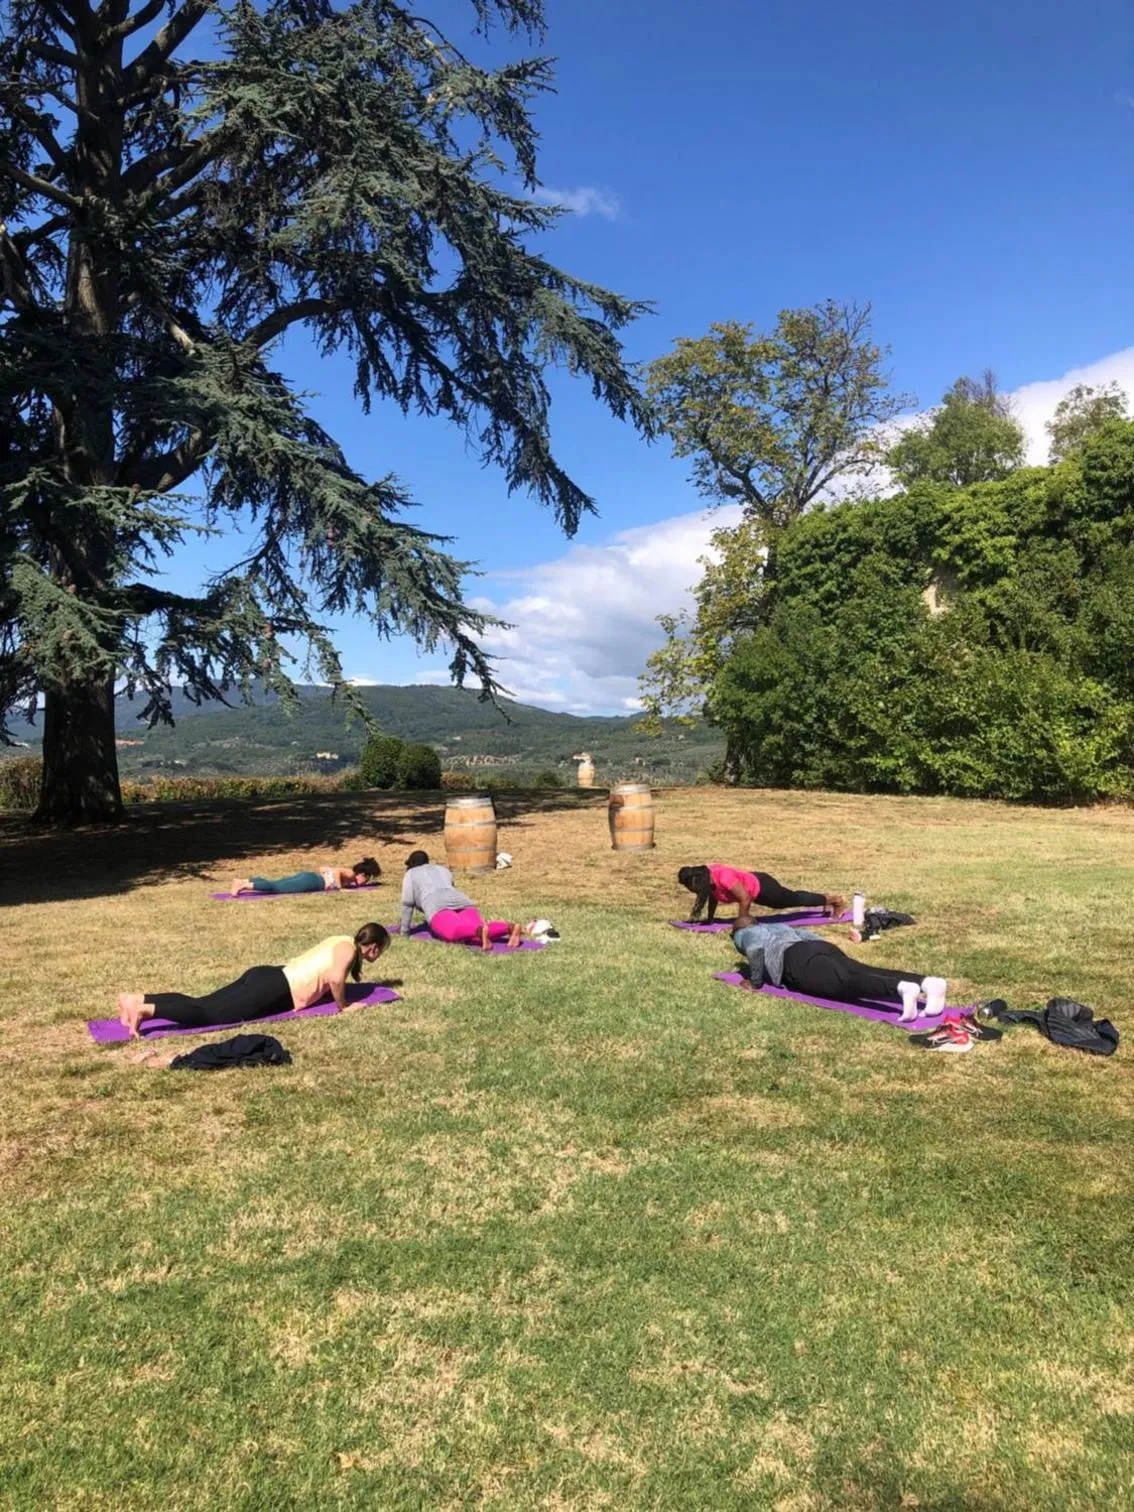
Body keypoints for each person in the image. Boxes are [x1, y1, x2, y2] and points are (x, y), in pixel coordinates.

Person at [116, 923, 390, 1037]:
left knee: (202, 1003)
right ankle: (147, 1010)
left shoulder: (341, 940)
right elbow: (335, 979)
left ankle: (137, 1000)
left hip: (269, 976)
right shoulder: (348, 950)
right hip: (276, 986)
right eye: (382, 950)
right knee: (211, 1014)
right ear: (374, 947)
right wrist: (344, 1008)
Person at [731, 914, 936, 1018]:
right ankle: (926, 982)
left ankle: (901, 988)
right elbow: (809, 936)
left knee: (842, 983)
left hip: (795, 959)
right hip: (817, 947)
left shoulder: (744, 933)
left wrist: (754, 982)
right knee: (862, 969)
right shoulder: (777, 926)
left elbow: (755, 949)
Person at [400, 850, 523, 950]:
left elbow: (407, 903)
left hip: (436, 904)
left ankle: (479, 932)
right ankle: (509, 928)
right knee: (478, 927)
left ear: (411, 865)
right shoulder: (442, 869)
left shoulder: (410, 873)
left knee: (453, 932)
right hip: (461, 900)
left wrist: (404, 931)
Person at [678, 863, 843, 923]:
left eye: (694, 889)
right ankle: (826, 899)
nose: (695, 893)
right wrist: (710, 919)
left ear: (698, 880)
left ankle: (834, 900)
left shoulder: (724, 878)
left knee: (793, 898)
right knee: (793, 897)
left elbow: (745, 899)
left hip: (764, 888)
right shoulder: (707, 877)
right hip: (755, 883)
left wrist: (741, 924)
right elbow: (713, 897)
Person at [229, 857, 380, 896]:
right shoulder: (350, 873)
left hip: (309, 877)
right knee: (276, 888)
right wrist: (340, 888)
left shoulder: (351, 878)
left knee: (276, 883)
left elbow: (323, 868)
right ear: (362, 874)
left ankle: (244, 881)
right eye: (366, 878)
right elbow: (337, 871)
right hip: (312, 882)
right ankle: (244, 886)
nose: (365, 882)